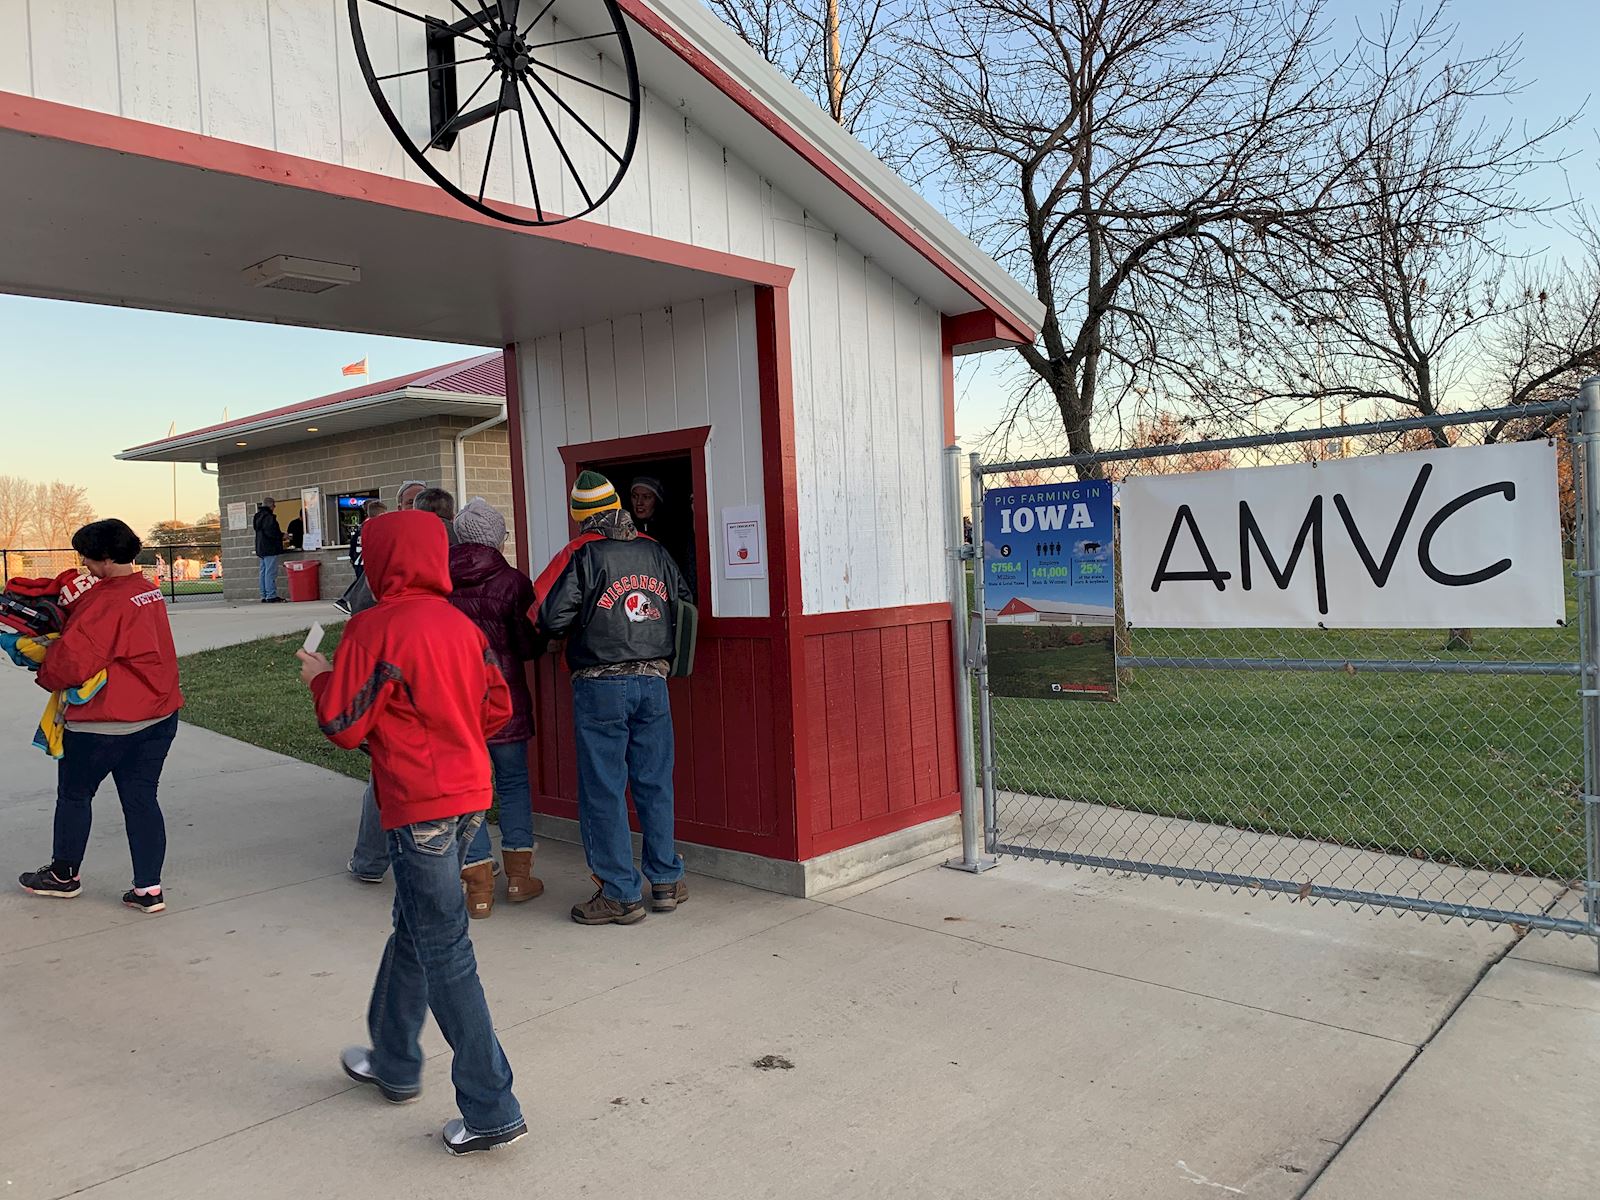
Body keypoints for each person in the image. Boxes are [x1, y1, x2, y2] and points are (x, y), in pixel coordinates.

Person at [298, 509, 526, 1156]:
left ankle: (491, 1105)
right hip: (468, 799)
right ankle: (394, 1059)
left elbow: (343, 722)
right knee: (418, 927)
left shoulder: (376, 628)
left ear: (382, 558)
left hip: (419, 803)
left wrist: (319, 678)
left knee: (445, 946)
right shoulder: (461, 624)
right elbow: (497, 706)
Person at [534, 471, 691, 925]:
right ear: (618, 504)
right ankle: (665, 880)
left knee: (604, 789)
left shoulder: (582, 552)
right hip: (654, 684)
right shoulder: (655, 549)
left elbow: (549, 616)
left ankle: (621, 893)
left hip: (600, 684)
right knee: (655, 783)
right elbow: (682, 602)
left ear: (581, 517)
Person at [17, 519, 184, 913]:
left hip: (103, 723)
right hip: (158, 716)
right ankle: (148, 889)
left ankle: (62, 875)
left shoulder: (105, 603)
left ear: (105, 559)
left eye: (88, 558)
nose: (86, 566)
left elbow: (71, 662)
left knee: (75, 795)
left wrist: (41, 665)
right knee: (142, 799)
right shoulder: (148, 591)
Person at [450, 499, 544, 918]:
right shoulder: (513, 582)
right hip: (503, 695)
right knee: (513, 782)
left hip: (456, 698)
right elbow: (527, 645)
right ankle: (520, 878)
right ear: (495, 537)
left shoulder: (438, 579)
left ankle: (479, 889)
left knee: (470, 790)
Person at [628, 475, 696, 600]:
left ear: (657, 499)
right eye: (635, 496)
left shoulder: (673, 532)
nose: (639, 503)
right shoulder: (624, 531)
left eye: (647, 497)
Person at [253, 497, 285, 602]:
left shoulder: (258, 516)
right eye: (274, 506)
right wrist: (282, 535)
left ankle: (264, 595)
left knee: (263, 572)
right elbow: (271, 532)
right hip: (270, 548)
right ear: (271, 505)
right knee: (270, 572)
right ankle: (271, 595)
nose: (274, 508)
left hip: (260, 548)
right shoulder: (269, 517)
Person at [348, 499, 387, 582]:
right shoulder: (377, 529)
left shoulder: (361, 528)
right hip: (371, 567)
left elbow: (352, 548)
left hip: (359, 566)